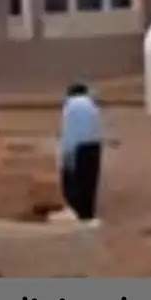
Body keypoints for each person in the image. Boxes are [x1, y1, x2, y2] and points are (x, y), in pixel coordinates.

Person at [57, 83, 103, 224]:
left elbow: (69, 132)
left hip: (77, 147)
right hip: (94, 145)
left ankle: (78, 212)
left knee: (73, 181)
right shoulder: (92, 105)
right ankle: (89, 213)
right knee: (90, 181)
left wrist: (65, 155)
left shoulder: (69, 107)